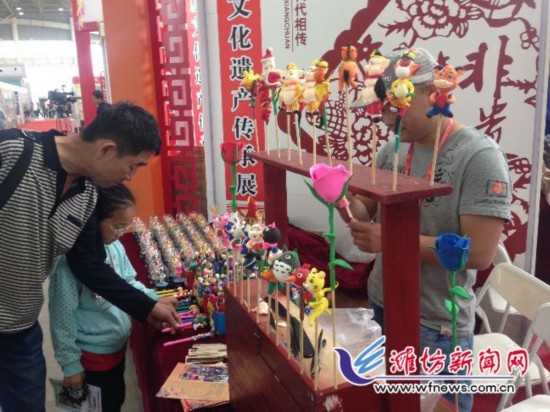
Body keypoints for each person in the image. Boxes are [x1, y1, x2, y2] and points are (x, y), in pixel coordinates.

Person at [341, 48, 511, 412]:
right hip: (381, 304)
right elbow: (364, 209)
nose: (387, 118)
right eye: (383, 108)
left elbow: (478, 253)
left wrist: (389, 241)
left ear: (433, 94)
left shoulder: (479, 157)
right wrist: (341, 199)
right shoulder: (391, 151)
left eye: (396, 106)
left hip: (436, 322)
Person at [0, 102, 180, 412]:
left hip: (20, 330)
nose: (130, 177)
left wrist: (146, 305)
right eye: (133, 166)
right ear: (106, 149)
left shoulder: (87, 195)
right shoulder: (12, 152)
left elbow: (88, 265)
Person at [49, 184, 161, 412]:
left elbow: (129, 282)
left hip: (115, 349)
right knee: (94, 407)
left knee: (114, 400)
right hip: (89, 359)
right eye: (117, 226)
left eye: (126, 227)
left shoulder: (115, 247)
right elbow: (62, 318)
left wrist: (152, 301)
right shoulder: (67, 265)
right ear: (93, 220)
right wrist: (71, 365)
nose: (121, 233)